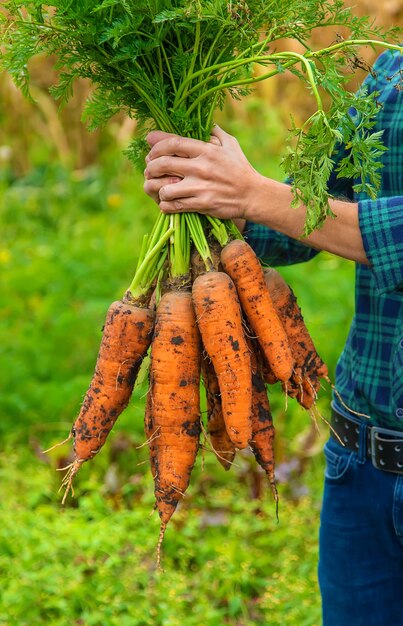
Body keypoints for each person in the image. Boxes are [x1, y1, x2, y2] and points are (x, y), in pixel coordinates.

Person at [143, 48, 403, 626]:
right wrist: (213, 198)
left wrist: (253, 193)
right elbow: (312, 217)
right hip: (359, 461)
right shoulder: (390, 74)